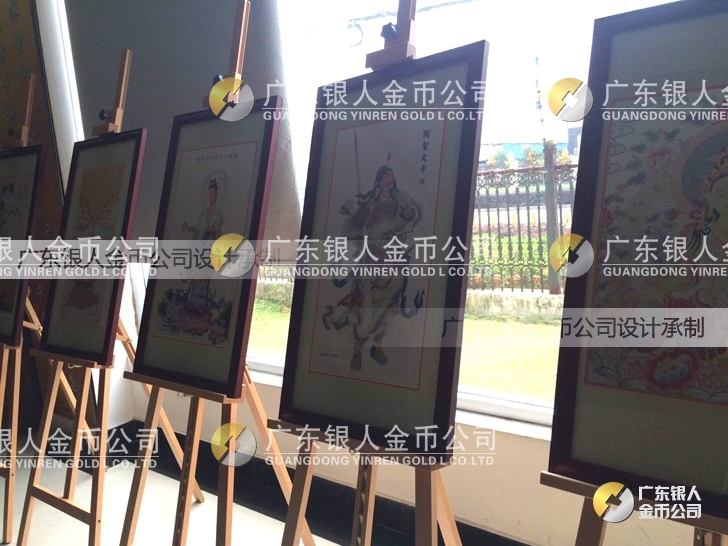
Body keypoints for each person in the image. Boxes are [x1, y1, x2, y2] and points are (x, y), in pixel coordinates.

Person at [322, 165, 424, 371]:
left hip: (392, 257)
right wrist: (358, 217)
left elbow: (414, 212)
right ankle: (357, 350)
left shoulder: (400, 200)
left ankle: (377, 344)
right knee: (363, 306)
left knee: (391, 302)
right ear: (379, 180)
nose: (390, 180)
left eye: (392, 176)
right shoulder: (368, 201)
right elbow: (352, 226)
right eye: (386, 177)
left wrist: (407, 214)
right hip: (370, 257)